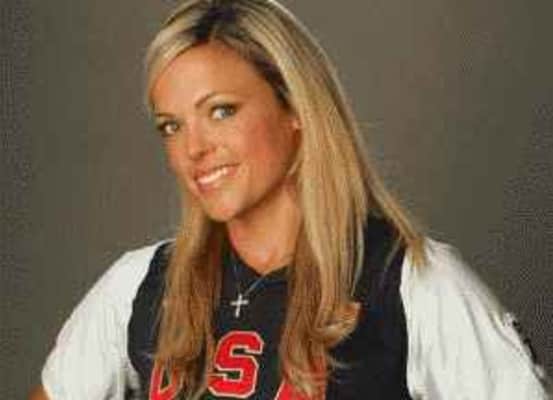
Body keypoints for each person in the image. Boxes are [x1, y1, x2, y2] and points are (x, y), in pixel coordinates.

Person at [30, 0, 551, 399]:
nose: (193, 149)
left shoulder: (412, 283)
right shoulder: (139, 286)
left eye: (221, 111)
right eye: (172, 126)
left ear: (295, 108)